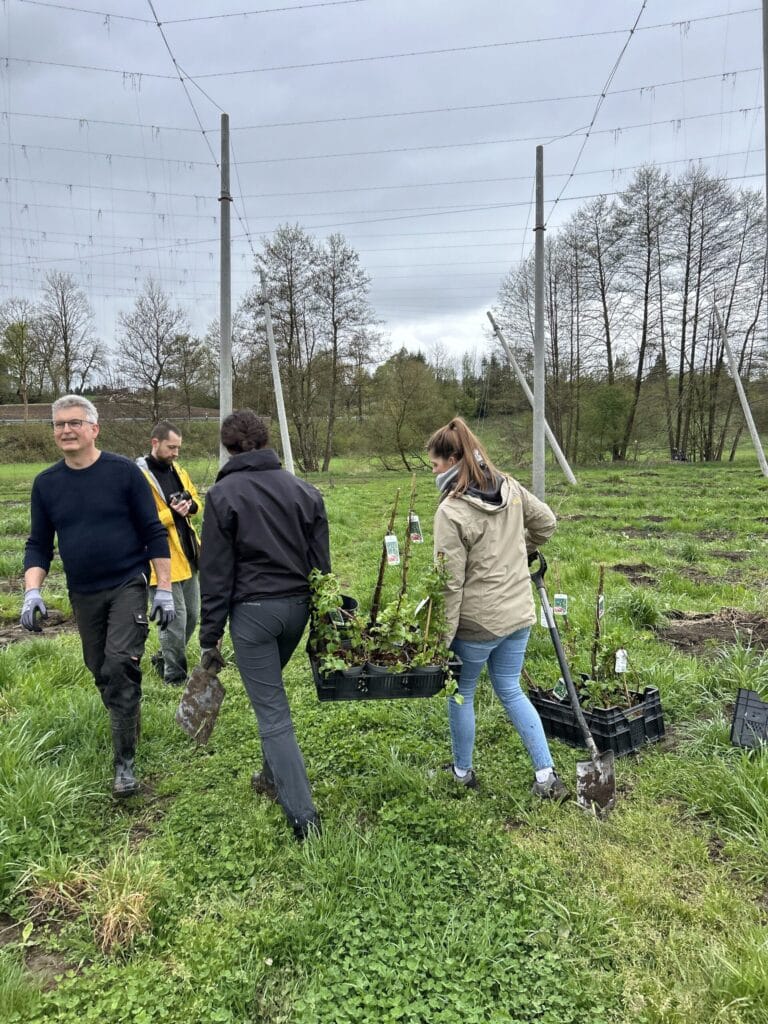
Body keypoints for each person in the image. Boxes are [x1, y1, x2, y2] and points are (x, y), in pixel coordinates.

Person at [21, 395, 174, 798]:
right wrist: (32, 591)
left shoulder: (123, 473)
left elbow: (153, 531)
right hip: (83, 591)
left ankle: (124, 764)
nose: (66, 430)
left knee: (121, 661)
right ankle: (128, 708)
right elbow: (38, 544)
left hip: (128, 581)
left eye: (74, 423)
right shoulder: (47, 484)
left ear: (94, 428)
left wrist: (164, 589)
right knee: (100, 668)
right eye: (58, 425)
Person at [198, 410, 331, 842]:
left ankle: (304, 818)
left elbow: (216, 572)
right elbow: (321, 566)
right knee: (269, 692)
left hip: (254, 614)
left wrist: (210, 632)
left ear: (229, 448)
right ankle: (270, 776)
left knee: (273, 712)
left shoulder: (222, 496)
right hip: (297, 611)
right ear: (265, 441)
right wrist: (321, 613)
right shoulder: (304, 491)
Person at [427, 416, 568, 800]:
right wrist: (524, 547)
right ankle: (545, 776)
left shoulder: (451, 512)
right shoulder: (510, 487)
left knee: (462, 693)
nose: (433, 473)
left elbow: (450, 584)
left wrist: (440, 639)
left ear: (454, 459)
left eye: (436, 466)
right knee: (510, 689)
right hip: (518, 614)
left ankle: (461, 772)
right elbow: (547, 522)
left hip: (477, 624)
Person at [136, 421, 201, 687]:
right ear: (155, 443)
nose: (175, 452)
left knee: (193, 616)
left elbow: (196, 500)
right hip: (161, 560)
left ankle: (164, 657)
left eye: (178, 448)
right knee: (174, 621)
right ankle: (174, 676)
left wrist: (190, 504)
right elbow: (141, 518)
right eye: (171, 447)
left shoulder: (178, 470)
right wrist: (172, 513)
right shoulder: (138, 476)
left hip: (187, 555)